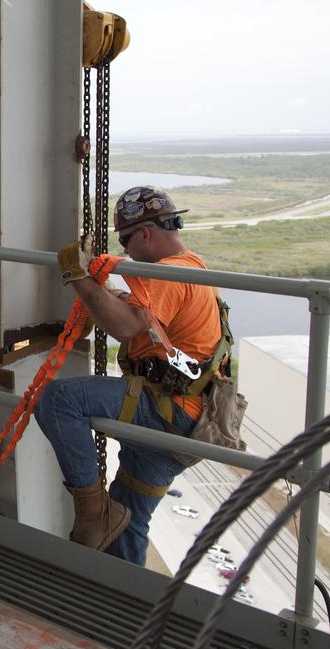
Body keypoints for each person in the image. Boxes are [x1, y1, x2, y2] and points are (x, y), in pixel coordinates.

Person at [34, 186, 224, 566]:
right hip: (187, 420)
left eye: (125, 241)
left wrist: (78, 276)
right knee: (128, 523)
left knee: (59, 400)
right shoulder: (193, 265)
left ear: (147, 234)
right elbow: (142, 317)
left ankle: (90, 511)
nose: (125, 252)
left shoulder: (168, 273)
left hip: (164, 410)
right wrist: (102, 289)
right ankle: (132, 604)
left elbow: (126, 327)